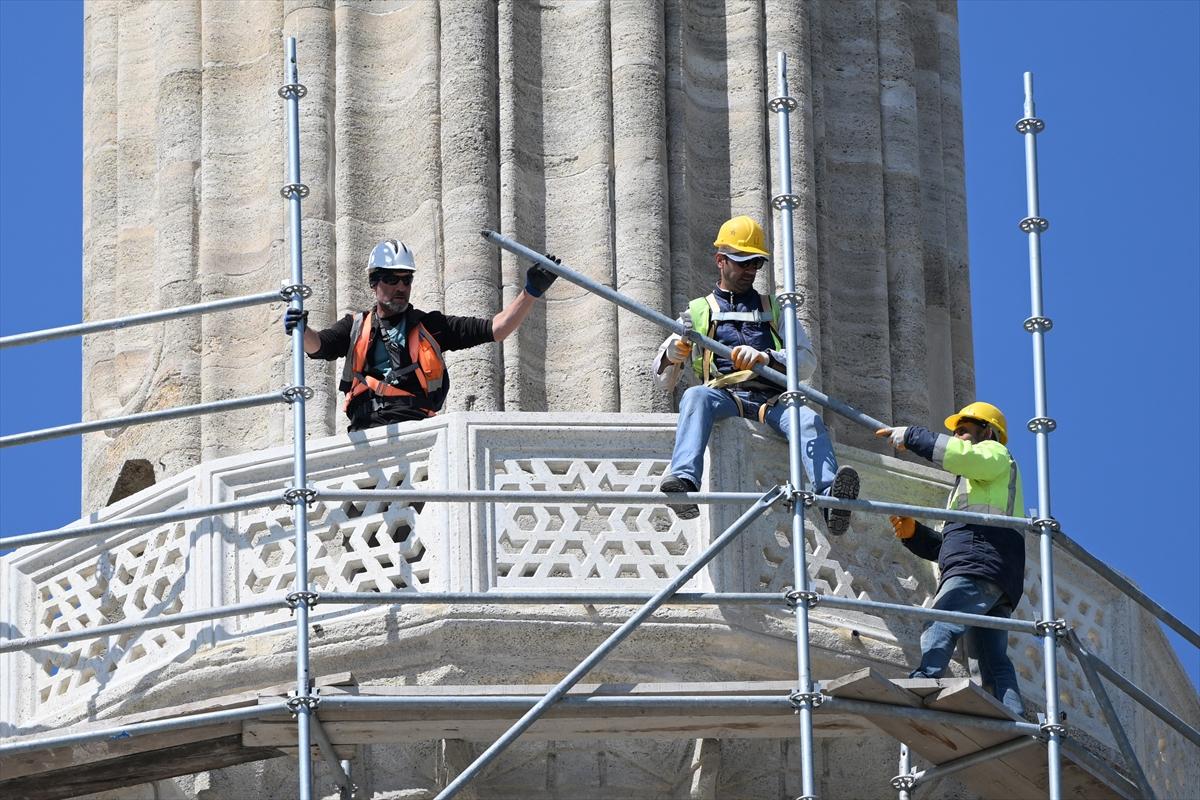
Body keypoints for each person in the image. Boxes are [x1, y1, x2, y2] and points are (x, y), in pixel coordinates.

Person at [653, 215, 859, 531]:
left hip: (771, 401)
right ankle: (683, 480)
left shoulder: (775, 309)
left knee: (807, 419)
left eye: (756, 263)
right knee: (695, 396)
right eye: (743, 262)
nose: (751, 270)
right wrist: (672, 356)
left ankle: (831, 497)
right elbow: (663, 379)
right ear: (721, 261)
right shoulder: (697, 311)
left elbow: (806, 361)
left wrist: (767, 357)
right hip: (724, 396)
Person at [285, 239, 558, 431]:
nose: (401, 287)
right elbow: (319, 346)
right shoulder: (356, 326)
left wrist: (531, 292)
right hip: (366, 431)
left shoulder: (431, 326)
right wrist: (301, 329)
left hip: (414, 429)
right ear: (373, 283)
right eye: (391, 279)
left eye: (407, 279)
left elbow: (498, 329)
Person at [876, 401, 1026, 718]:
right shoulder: (975, 486)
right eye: (955, 431)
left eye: (964, 429)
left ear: (989, 432)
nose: (957, 436)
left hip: (981, 564)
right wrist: (915, 535)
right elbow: (954, 547)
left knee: (940, 620)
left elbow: (961, 456)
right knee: (990, 657)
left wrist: (912, 436)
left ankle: (924, 682)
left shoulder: (995, 454)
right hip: (993, 569)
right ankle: (1012, 715)